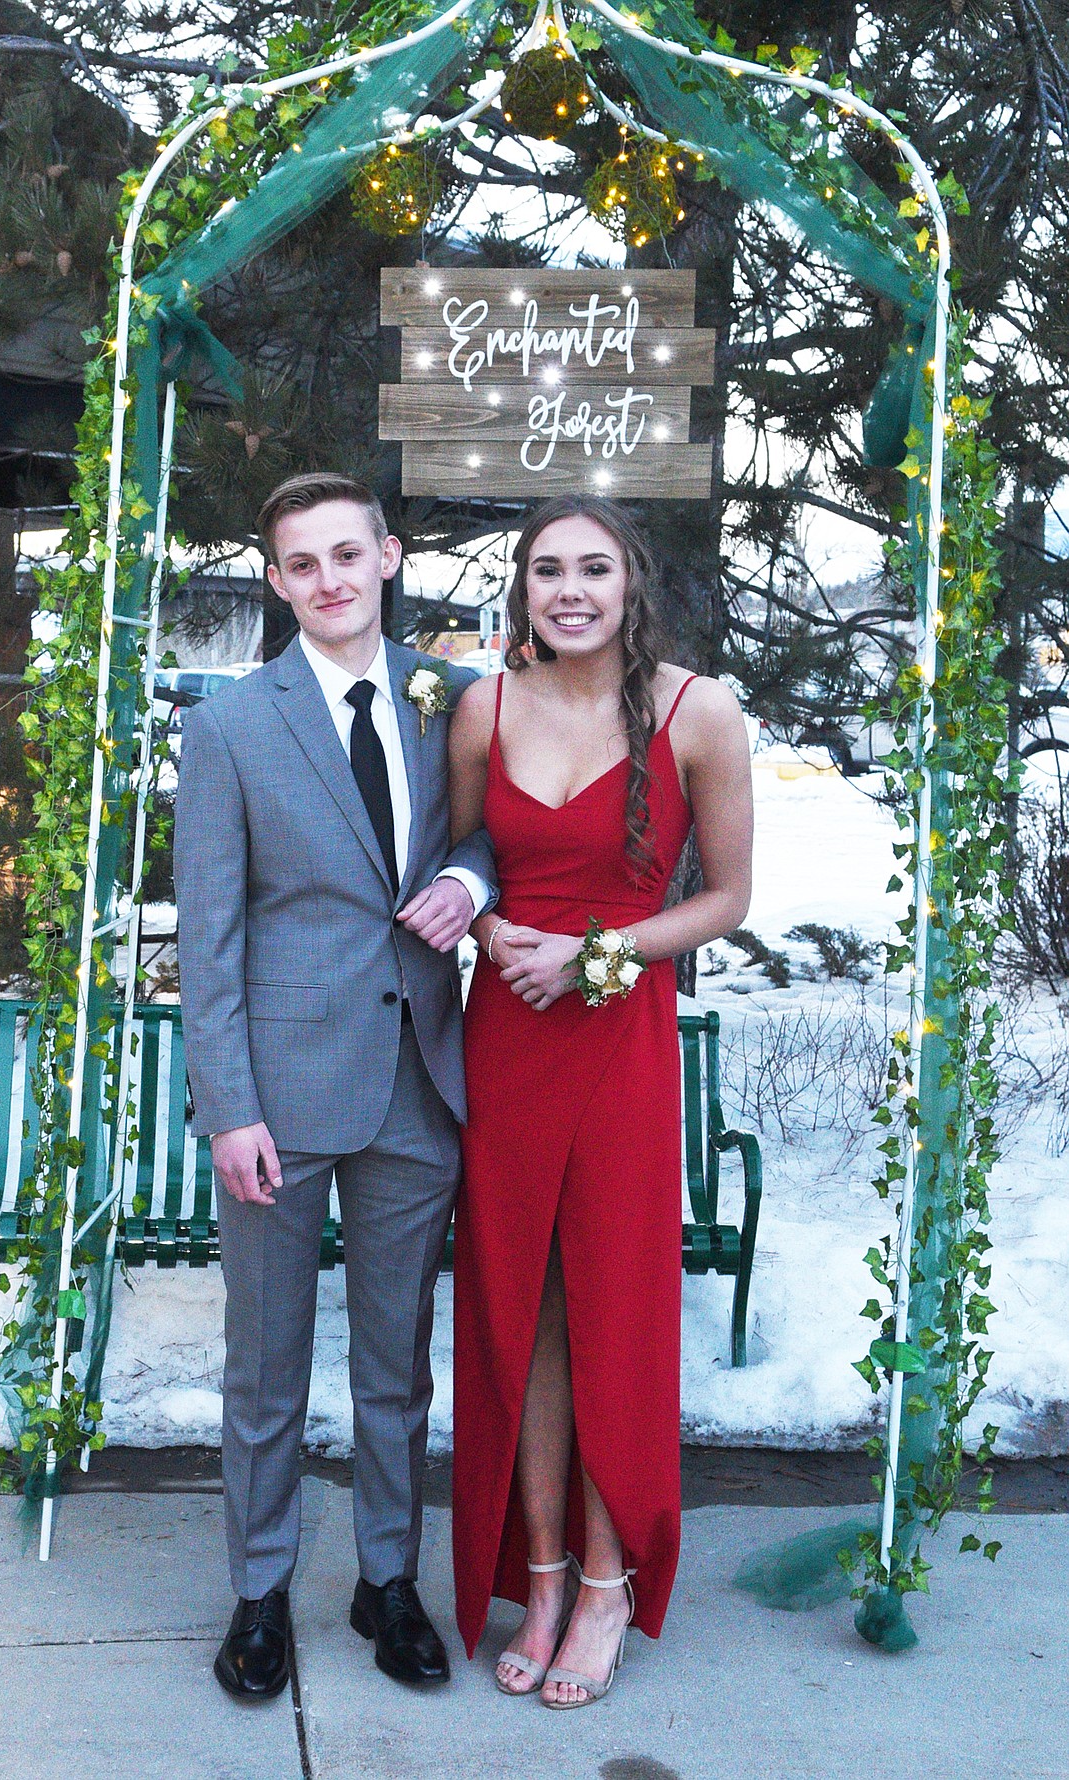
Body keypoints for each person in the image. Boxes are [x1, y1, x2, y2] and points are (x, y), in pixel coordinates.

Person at [174, 472, 497, 1701]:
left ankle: (384, 1580)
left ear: (390, 556)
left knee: (396, 1362)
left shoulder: (450, 698)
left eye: (347, 555)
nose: (329, 579)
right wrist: (230, 1107)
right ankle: (259, 1591)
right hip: (280, 1094)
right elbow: (209, 938)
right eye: (301, 563)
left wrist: (472, 884)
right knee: (263, 1364)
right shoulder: (233, 726)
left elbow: (488, 834)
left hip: (418, 1076)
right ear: (276, 581)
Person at [448, 495, 753, 1708]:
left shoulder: (698, 711)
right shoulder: (483, 705)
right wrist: (488, 926)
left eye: (592, 568)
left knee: (614, 1305)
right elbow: (457, 866)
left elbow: (725, 896)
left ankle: (612, 1584)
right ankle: (544, 1568)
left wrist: (600, 955)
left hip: (618, 1036)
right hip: (505, 1038)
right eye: (544, 569)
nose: (568, 589)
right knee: (523, 1305)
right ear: (522, 586)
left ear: (633, 582)